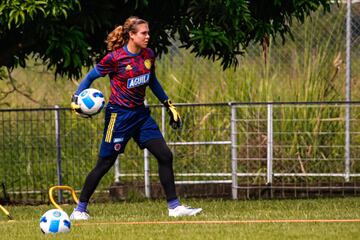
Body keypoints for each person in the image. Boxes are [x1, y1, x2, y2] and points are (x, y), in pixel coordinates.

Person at [70, 16, 202, 220]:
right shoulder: (115, 58)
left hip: (141, 116)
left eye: (148, 32)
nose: (148, 36)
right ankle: (79, 210)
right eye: (144, 33)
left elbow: (153, 81)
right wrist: (77, 97)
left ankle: (174, 207)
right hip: (118, 116)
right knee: (105, 163)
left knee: (165, 155)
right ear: (131, 35)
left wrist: (168, 105)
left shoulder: (149, 55)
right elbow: (90, 77)